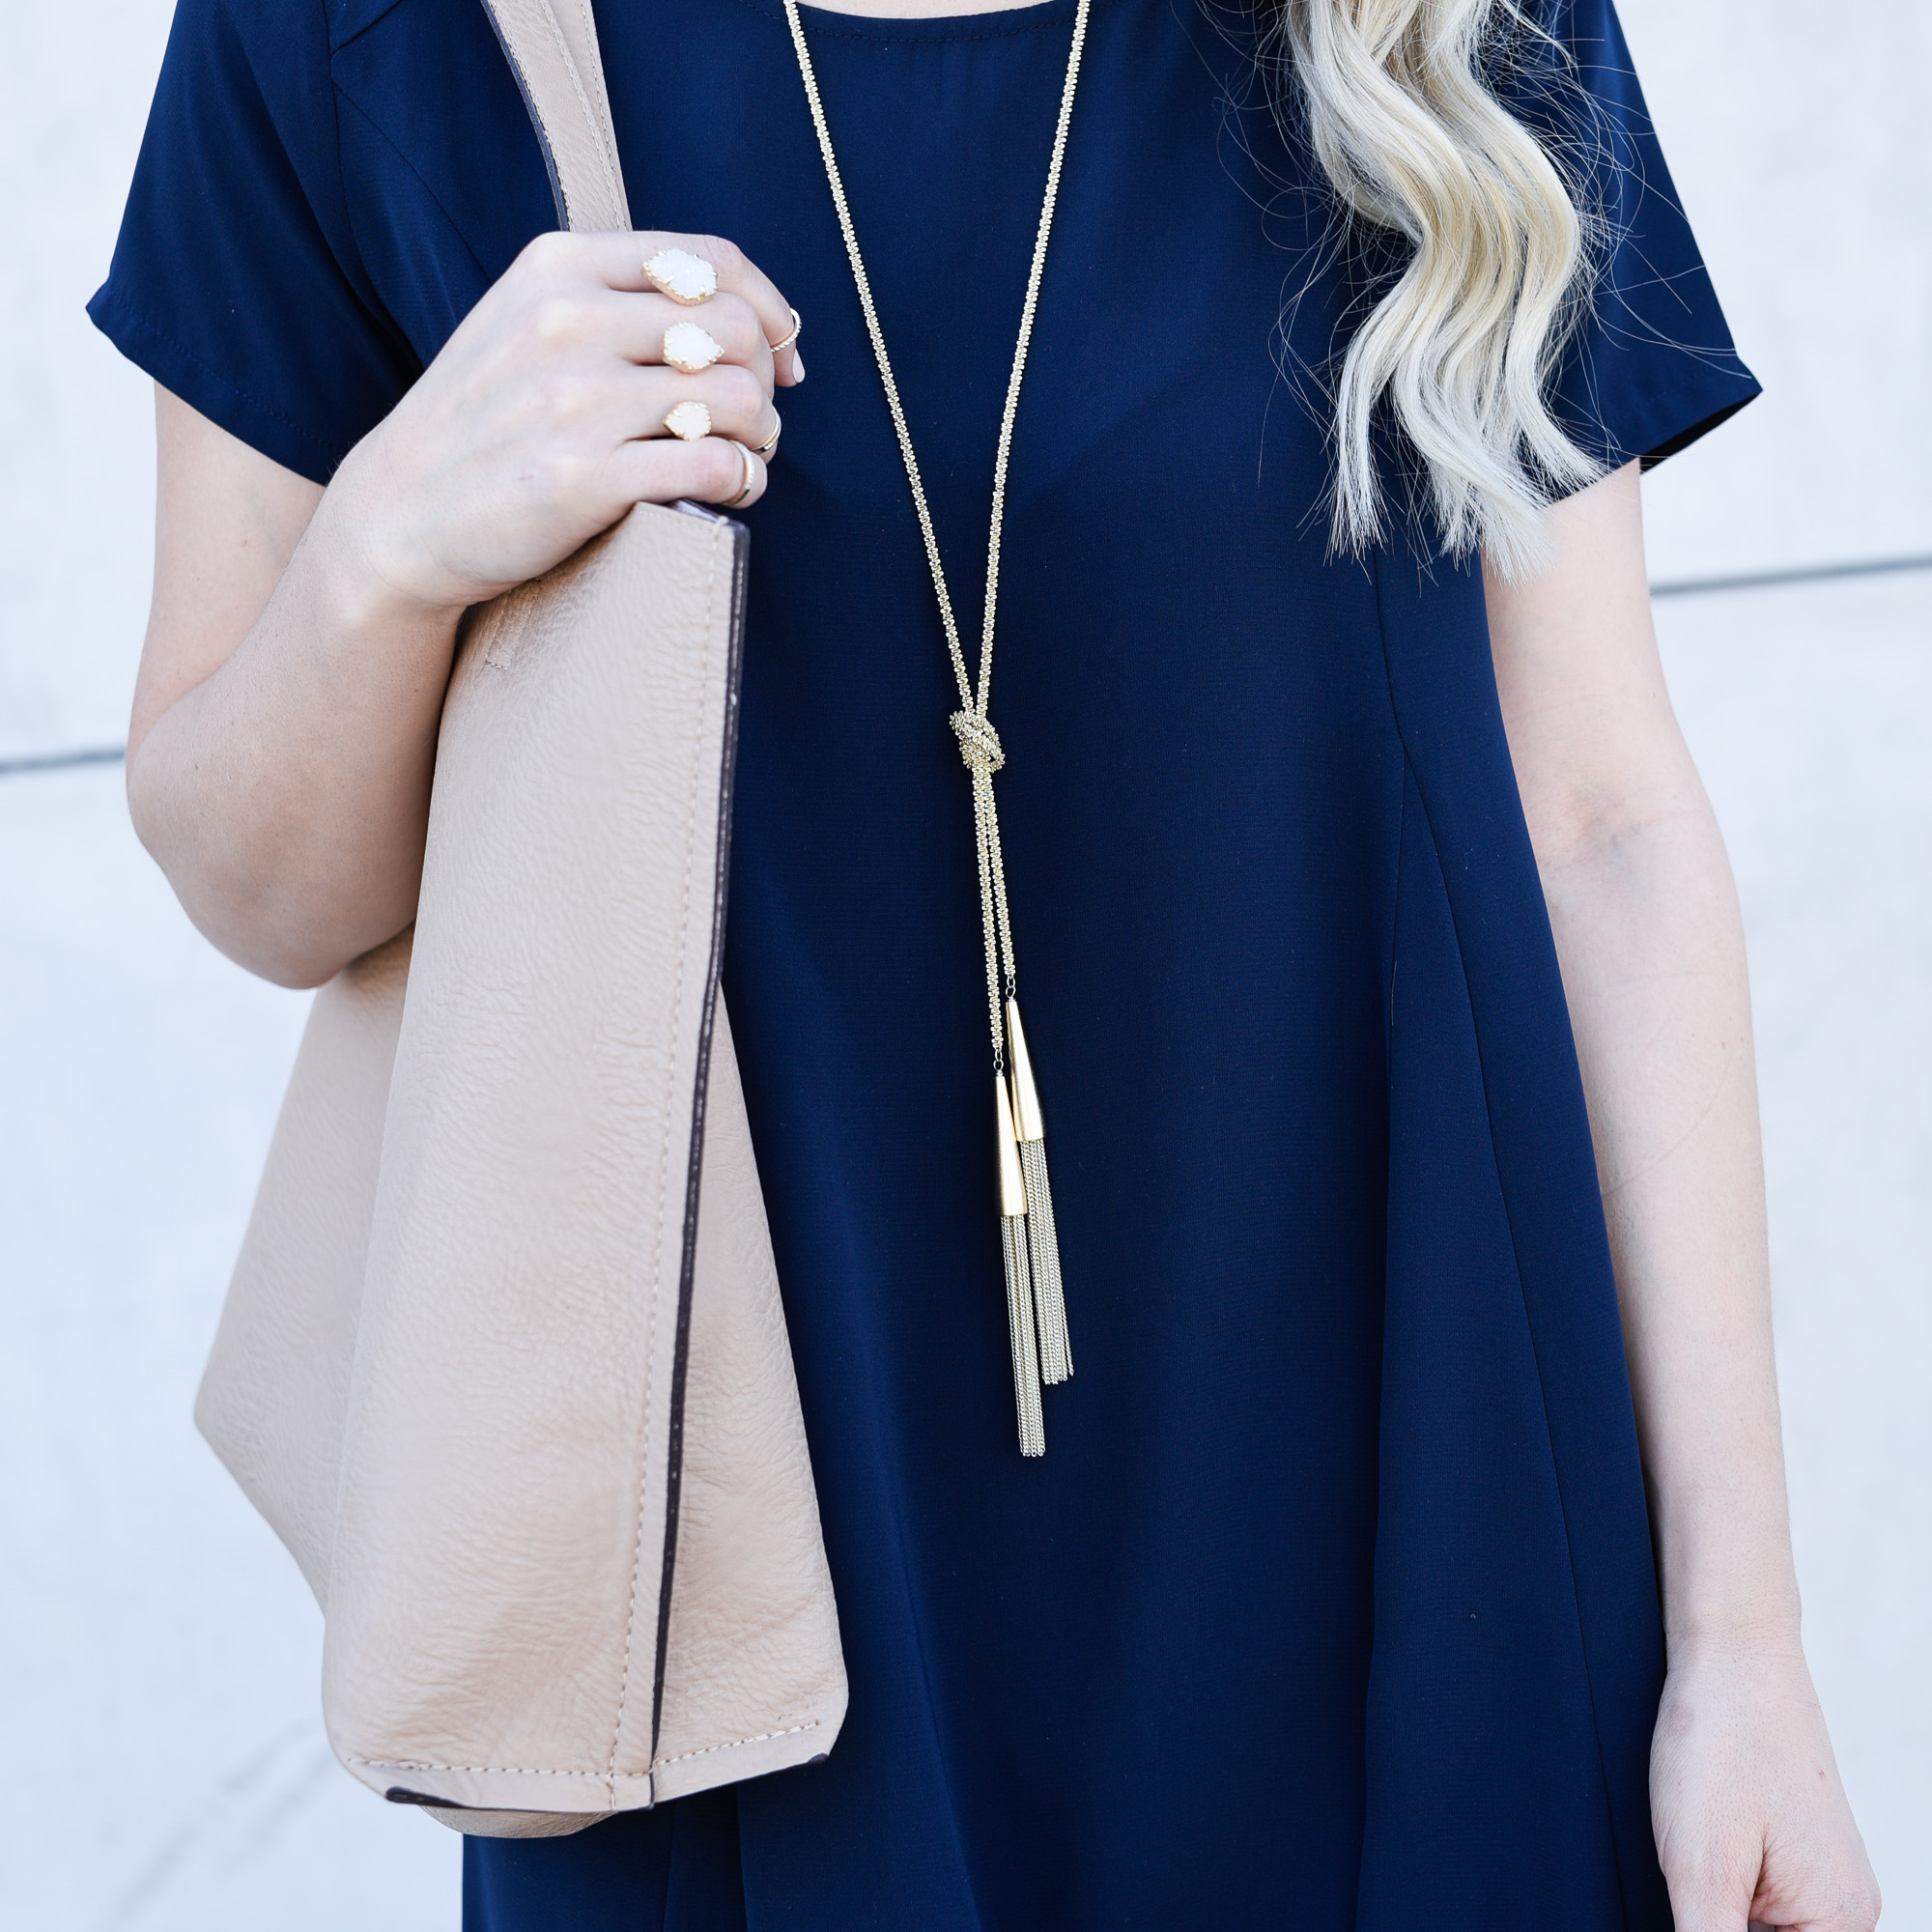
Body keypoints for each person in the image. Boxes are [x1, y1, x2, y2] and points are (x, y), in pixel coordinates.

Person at [91, 0, 1881, 1923]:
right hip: (737, 1557)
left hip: (1420, 1504)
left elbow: (1600, 819)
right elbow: (250, 879)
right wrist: (392, 537)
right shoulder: (373, 34)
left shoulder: (1429, 27)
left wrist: (1743, 1639)